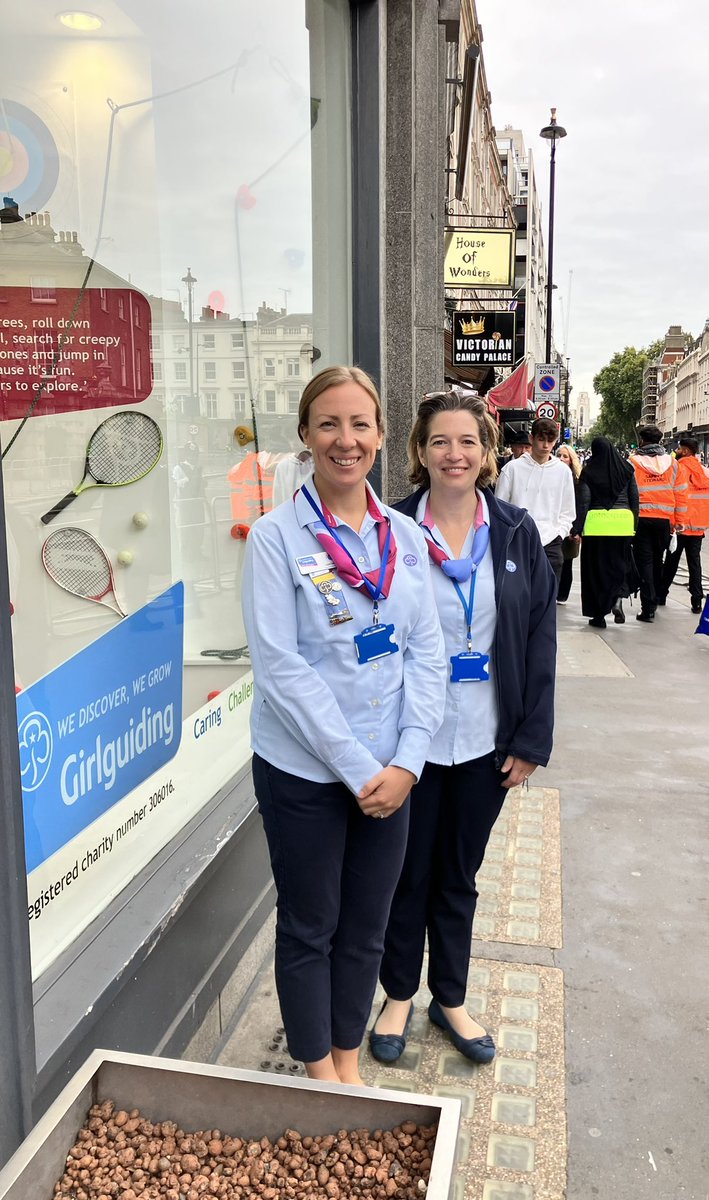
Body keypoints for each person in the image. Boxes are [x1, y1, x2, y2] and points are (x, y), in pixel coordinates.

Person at [242, 365, 446, 1085]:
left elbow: (427, 653)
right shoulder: (274, 538)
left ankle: (347, 1058)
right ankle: (316, 1071)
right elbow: (280, 669)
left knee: (366, 927)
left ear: (383, 437)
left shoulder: (406, 537)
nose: (345, 439)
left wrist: (409, 762)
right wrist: (363, 772)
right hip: (305, 772)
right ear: (304, 436)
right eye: (327, 423)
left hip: (392, 770)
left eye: (359, 424)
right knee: (311, 926)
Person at [369, 388, 557, 1067]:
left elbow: (538, 637)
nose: (454, 453)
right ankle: (396, 995)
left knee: (458, 875)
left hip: (485, 740)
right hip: (405, 744)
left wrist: (531, 738)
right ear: (418, 451)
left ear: (486, 454)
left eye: (467, 442)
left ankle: (449, 997)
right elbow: (368, 634)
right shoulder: (386, 529)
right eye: (440, 441)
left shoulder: (513, 531)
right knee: (402, 875)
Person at [495, 416, 576, 584]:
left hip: (551, 541)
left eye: (550, 440)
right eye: (541, 439)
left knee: (546, 598)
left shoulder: (563, 472)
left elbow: (568, 510)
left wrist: (559, 533)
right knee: (516, 595)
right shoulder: (512, 469)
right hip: (517, 541)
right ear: (532, 439)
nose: (545, 445)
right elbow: (499, 507)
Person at [578, 437, 639, 628]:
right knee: (619, 566)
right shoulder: (627, 471)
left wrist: (577, 528)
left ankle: (598, 616)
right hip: (622, 525)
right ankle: (617, 598)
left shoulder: (588, 472)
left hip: (596, 527)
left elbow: (585, 501)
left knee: (595, 571)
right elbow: (634, 499)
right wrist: (634, 525)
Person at [629, 426, 687, 622]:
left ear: (642, 441)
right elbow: (681, 493)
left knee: (644, 561)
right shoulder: (673, 463)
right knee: (656, 560)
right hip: (664, 520)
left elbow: (628, 492)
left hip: (641, 519)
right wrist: (678, 522)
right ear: (660, 442)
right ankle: (655, 598)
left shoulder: (633, 462)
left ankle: (648, 607)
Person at [658, 437, 709, 613]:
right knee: (695, 564)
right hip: (698, 527)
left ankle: (661, 594)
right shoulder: (704, 471)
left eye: (679, 449)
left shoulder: (678, 469)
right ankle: (696, 601)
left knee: (671, 561)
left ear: (686, 451)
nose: (677, 451)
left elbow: (673, 496)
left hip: (680, 526)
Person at [555, 445, 588, 604]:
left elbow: (582, 505)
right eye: (559, 455)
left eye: (565, 456)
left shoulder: (578, 481)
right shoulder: (551, 476)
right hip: (552, 525)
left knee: (566, 562)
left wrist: (577, 530)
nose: (561, 459)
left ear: (571, 460)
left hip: (570, 528)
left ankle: (562, 594)